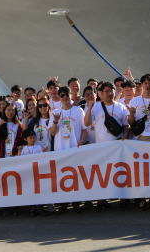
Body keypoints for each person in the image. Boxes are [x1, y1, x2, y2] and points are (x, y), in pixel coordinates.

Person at [84, 81, 127, 211]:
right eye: (106, 91)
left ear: (115, 92)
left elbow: (126, 124)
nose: (109, 93)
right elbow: (86, 123)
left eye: (111, 91)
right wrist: (90, 108)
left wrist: (125, 134)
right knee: (101, 174)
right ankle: (101, 201)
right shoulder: (96, 107)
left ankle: (122, 200)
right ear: (101, 93)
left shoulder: (121, 107)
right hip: (101, 146)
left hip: (117, 146)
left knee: (120, 172)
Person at [51, 86, 86, 214]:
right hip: (61, 150)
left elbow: (84, 129)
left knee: (75, 177)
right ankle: (63, 204)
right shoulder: (55, 112)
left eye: (67, 95)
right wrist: (55, 121)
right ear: (59, 98)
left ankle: (76, 203)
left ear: (71, 95)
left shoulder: (78, 110)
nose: (65, 97)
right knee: (62, 178)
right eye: (62, 95)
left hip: (74, 149)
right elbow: (52, 133)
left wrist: (81, 141)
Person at [18, 129, 47, 217]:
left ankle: (41, 207)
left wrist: (44, 150)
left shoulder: (38, 147)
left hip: (37, 172)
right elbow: (19, 159)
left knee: (39, 190)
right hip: (28, 173)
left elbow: (43, 157)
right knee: (31, 190)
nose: (33, 139)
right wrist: (19, 151)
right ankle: (33, 208)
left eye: (34, 137)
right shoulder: (24, 149)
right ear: (25, 139)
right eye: (30, 138)